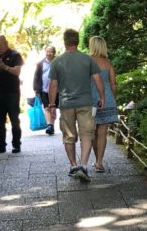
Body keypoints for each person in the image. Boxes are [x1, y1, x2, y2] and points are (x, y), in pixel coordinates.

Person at [46, 28, 103, 181]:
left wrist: (52, 105)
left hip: (66, 105)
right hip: (85, 103)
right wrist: (102, 97)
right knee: (87, 134)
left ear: (65, 42)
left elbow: (53, 85)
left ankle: (73, 165)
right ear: (77, 41)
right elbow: (98, 80)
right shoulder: (88, 59)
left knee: (69, 137)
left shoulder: (57, 61)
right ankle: (83, 166)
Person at [88, 36, 118, 172]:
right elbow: (113, 84)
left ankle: (96, 160)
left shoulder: (88, 61)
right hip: (107, 99)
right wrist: (113, 99)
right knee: (102, 133)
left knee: (93, 132)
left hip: (92, 99)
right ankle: (99, 162)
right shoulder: (108, 63)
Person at [0, 34, 23, 154]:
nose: (0, 46)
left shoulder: (15, 55)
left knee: (14, 119)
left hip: (12, 93)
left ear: (6, 42)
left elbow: (17, 71)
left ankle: (16, 144)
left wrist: (4, 67)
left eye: (1, 43)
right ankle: (1, 145)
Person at [30, 44, 57, 136]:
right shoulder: (40, 63)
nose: (49, 53)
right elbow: (36, 76)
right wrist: (35, 88)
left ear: (54, 53)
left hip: (55, 89)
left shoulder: (58, 62)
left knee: (53, 107)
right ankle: (50, 125)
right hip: (44, 89)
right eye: (47, 51)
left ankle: (52, 125)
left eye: (51, 52)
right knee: (46, 107)